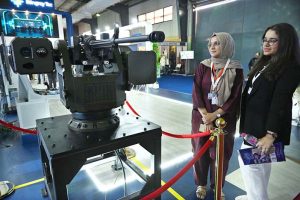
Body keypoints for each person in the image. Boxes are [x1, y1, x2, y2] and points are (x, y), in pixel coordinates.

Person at [236, 23, 300, 200]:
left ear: (286, 43)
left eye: (273, 40)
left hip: (265, 130)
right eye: (265, 40)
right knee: (260, 166)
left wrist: (270, 135)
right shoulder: (265, 62)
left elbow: (280, 102)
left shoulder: (289, 67)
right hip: (254, 125)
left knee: (250, 164)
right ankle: (254, 196)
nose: (266, 44)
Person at [191, 32, 244, 199]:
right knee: (199, 150)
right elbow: (196, 90)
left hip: (224, 119)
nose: (212, 47)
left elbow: (235, 97)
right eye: (210, 44)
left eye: (217, 43)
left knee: (221, 154)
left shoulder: (236, 69)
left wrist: (215, 115)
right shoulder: (204, 66)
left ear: (227, 45)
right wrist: (205, 115)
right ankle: (201, 184)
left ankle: (217, 185)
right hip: (201, 117)